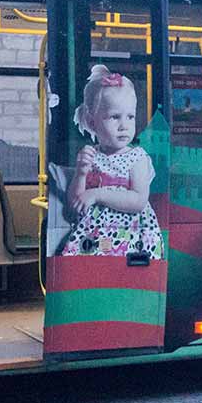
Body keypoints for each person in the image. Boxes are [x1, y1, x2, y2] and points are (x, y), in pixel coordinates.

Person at [61, 65, 163, 258]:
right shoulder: (91, 155)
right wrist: (81, 173)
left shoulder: (137, 157)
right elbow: (75, 202)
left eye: (130, 117)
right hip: (93, 237)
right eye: (115, 117)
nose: (124, 126)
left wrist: (98, 194)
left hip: (131, 237)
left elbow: (139, 201)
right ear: (92, 123)